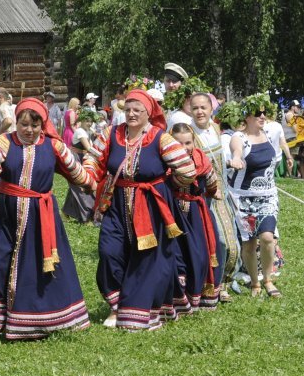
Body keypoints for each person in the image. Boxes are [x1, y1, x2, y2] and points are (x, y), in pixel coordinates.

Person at [0, 98, 96, 340]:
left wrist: (94, 183)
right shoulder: (4, 143)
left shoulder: (54, 146)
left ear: (43, 125)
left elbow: (78, 173)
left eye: (35, 125)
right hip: (8, 214)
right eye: (23, 124)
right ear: (16, 122)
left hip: (42, 215)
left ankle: (48, 316)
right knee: (0, 261)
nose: (29, 130)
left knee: (41, 266)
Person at [83, 88, 196, 330]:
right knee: (108, 251)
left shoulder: (160, 138)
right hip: (116, 204)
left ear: (149, 113)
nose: (132, 114)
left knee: (145, 257)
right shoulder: (111, 134)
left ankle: (137, 309)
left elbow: (187, 169)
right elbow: (93, 157)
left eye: (138, 110)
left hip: (150, 206)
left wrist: (168, 187)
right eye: (128, 109)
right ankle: (116, 304)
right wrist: (90, 178)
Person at [227, 94, 291, 298]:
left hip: (268, 196)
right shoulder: (239, 137)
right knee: (249, 243)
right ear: (246, 117)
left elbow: (280, 146)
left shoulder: (271, 132)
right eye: (257, 113)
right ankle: (255, 283)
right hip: (243, 198)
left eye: (265, 112)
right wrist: (236, 159)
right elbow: (236, 150)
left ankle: (268, 279)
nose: (262, 116)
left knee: (267, 238)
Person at [186, 90, 239, 301]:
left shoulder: (216, 129)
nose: (199, 111)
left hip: (221, 195)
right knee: (215, 242)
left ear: (211, 109)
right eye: (195, 107)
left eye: (203, 107)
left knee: (230, 242)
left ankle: (224, 282)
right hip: (201, 196)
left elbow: (225, 157)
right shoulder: (187, 134)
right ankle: (212, 285)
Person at [168, 122, 221, 313]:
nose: (184, 148)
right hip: (172, 212)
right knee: (176, 255)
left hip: (195, 213)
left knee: (198, 254)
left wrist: (214, 192)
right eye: (178, 143)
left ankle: (198, 298)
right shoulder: (164, 160)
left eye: (188, 143)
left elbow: (212, 180)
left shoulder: (200, 159)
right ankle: (177, 299)